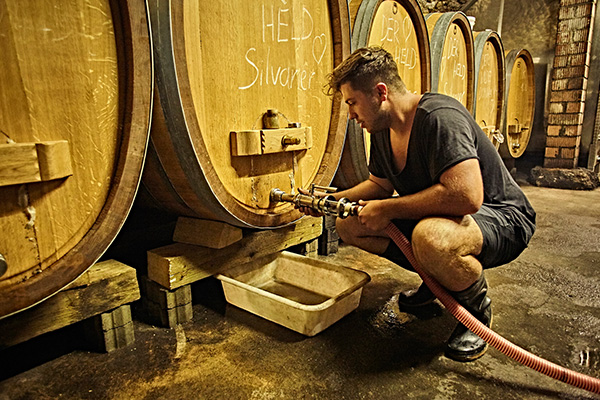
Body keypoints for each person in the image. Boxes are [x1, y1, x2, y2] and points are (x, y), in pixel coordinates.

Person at [299, 47, 536, 362]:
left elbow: (468, 196)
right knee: (349, 224)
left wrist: (388, 209)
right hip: (448, 216)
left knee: (430, 237)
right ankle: (438, 281)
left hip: (503, 217)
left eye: (353, 103)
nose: (351, 114)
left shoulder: (439, 117)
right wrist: (330, 201)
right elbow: (379, 185)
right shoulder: (382, 129)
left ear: (381, 93)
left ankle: (476, 311)